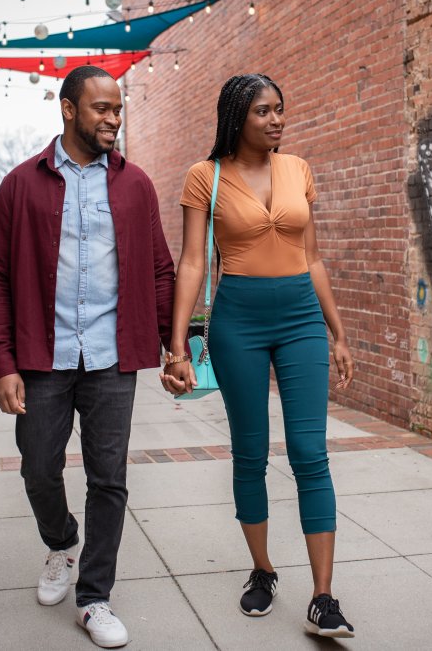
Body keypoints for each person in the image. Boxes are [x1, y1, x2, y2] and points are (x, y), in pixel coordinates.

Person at [0, 65, 176, 649]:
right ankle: (62, 541)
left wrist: (175, 345)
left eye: (118, 109)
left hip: (113, 356)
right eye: (101, 109)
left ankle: (94, 597)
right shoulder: (20, 184)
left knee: (108, 479)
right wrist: (3, 360)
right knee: (38, 466)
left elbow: (161, 269)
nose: (113, 119)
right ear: (68, 110)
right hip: (43, 355)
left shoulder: (136, 184)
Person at [162, 73, 357, 639]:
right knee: (249, 453)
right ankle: (264, 570)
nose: (277, 120)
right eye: (264, 112)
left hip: (300, 318)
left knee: (308, 451)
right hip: (238, 322)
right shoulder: (206, 177)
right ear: (237, 117)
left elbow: (313, 256)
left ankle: (323, 597)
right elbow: (193, 263)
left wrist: (337, 332)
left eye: (280, 109)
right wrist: (178, 344)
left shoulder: (297, 169)